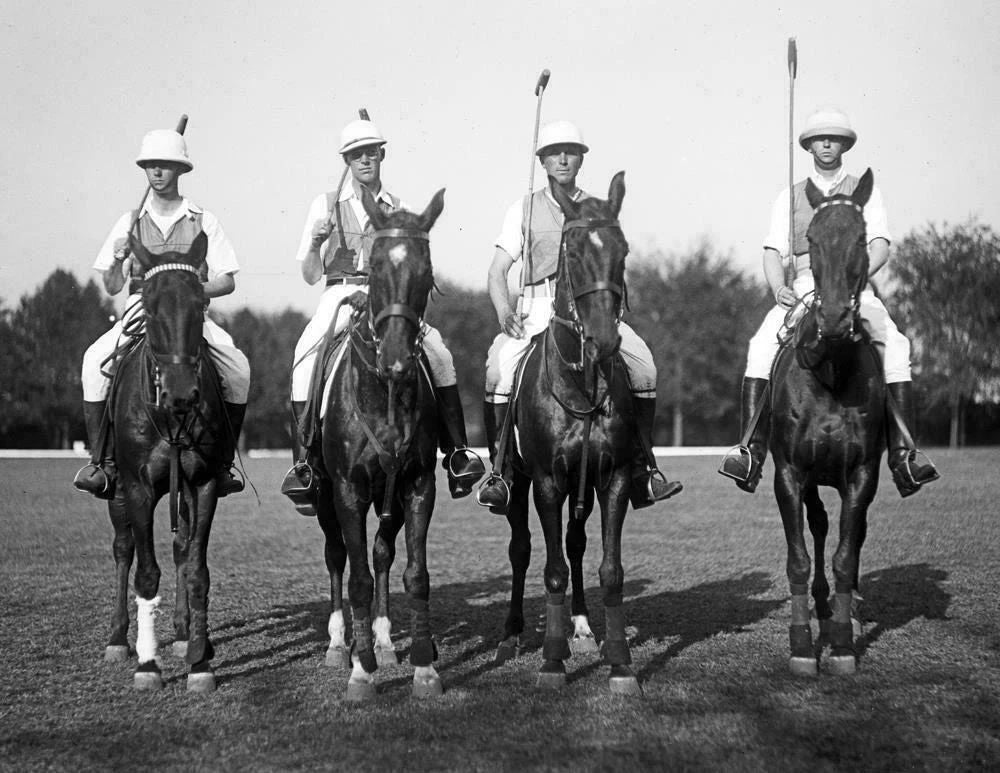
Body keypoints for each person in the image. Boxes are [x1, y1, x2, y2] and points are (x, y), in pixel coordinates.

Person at [719, 107, 940, 497]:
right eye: (819, 138)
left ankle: (905, 455)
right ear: (807, 146)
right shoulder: (790, 194)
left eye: (833, 138)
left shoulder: (863, 190)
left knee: (898, 346)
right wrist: (777, 288)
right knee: (760, 347)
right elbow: (773, 251)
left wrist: (852, 279)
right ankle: (749, 451)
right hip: (805, 284)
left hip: (855, 289)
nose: (826, 144)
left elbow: (881, 246)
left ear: (844, 145)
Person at [280, 118, 485, 515]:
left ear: (381, 155)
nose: (365, 160)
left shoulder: (400, 208)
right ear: (346, 160)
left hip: (387, 300)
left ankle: (458, 453)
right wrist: (317, 242)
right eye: (357, 154)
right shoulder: (324, 206)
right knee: (305, 357)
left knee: (440, 353)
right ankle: (304, 462)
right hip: (338, 293)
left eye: (371, 152)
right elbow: (309, 275)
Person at [476, 120, 682, 513]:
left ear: (581, 158)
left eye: (571, 151)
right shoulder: (523, 207)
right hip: (537, 308)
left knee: (645, 368)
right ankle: (500, 472)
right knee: (497, 370)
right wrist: (504, 311)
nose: (563, 158)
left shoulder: (596, 207)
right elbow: (496, 271)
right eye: (555, 152)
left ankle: (643, 468)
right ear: (543, 161)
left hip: (593, 311)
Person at [74, 128, 250, 499]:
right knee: (94, 362)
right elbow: (110, 285)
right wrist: (120, 257)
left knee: (238, 368)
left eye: (166, 166)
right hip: (142, 307)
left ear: (180, 170)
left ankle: (221, 465)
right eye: (151, 165)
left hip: (189, 315)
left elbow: (227, 281)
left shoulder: (202, 218)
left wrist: (189, 293)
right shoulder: (130, 220)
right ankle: (100, 462)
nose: (157, 172)